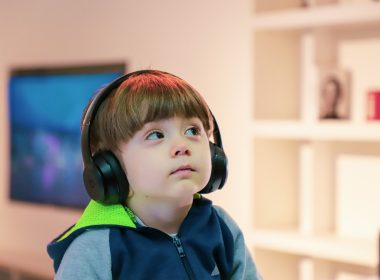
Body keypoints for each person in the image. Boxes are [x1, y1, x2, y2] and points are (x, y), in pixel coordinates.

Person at [47, 70, 262, 279]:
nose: (182, 146)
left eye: (193, 131)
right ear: (110, 166)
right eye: (156, 135)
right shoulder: (95, 249)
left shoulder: (221, 227)